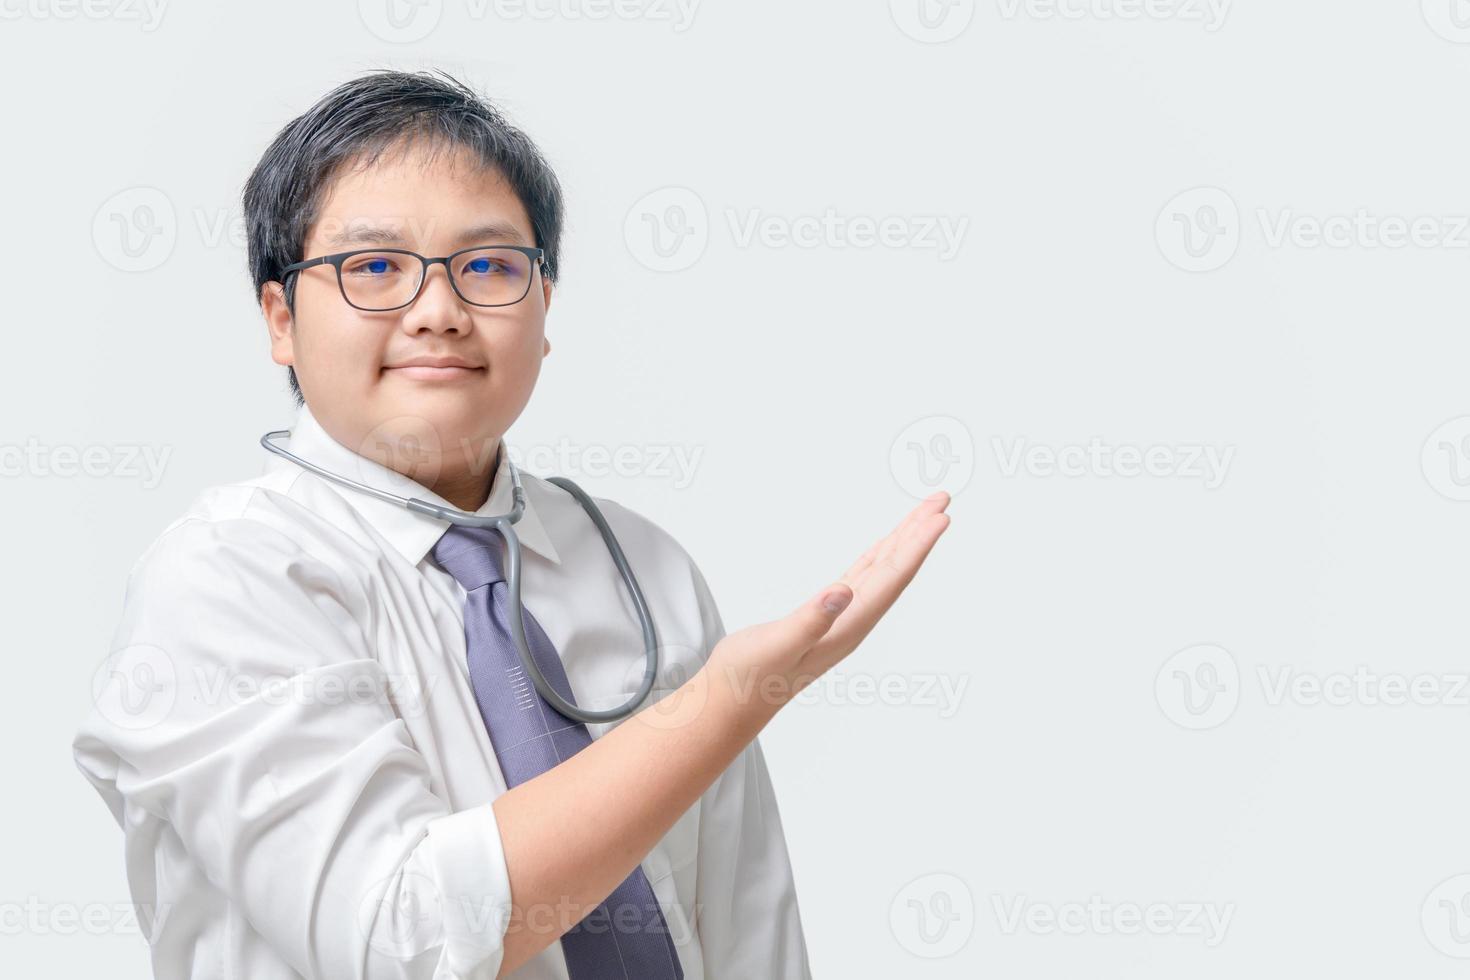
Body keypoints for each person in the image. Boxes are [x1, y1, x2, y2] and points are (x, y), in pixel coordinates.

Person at [71, 68, 951, 980]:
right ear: (281, 318)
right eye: (374, 267)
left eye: (488, 266)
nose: (440, 313)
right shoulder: (226, 579)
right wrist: (723, 702)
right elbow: (395, 944)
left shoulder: (641, 565)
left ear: (545, 310)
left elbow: (747, 928)